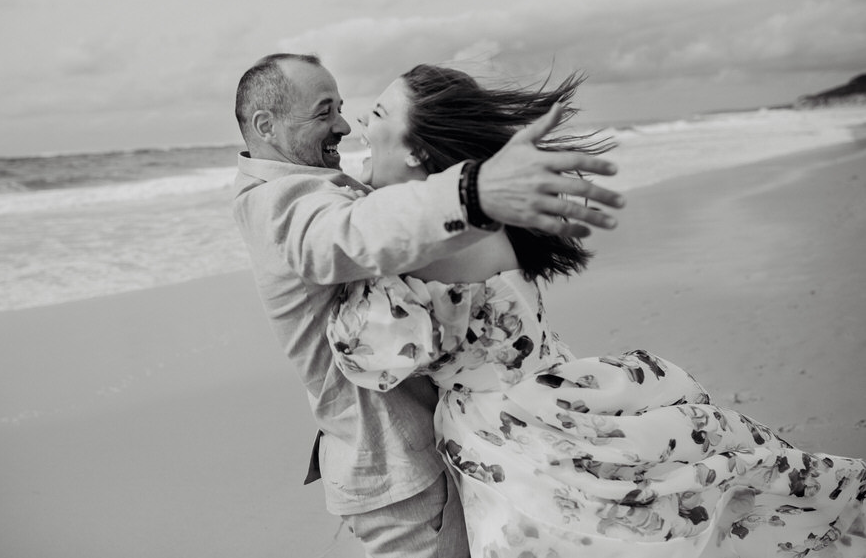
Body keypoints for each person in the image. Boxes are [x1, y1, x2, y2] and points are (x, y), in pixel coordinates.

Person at [326, 64, 866, 557]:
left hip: (510, 433)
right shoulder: (484, 216)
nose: (358, 124)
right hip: (549, 388)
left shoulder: (429, 241)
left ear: (418, 152)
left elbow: (365, 355)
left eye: (376, 114)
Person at [231, 53, 625, 558]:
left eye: (353, 111)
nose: (345, 125)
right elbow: (349, 234)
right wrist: (471, 191)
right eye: (325, 111)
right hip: (403, 473)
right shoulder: (279, 201)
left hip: (474, 449)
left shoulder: (320, 194)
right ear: (266, 125)